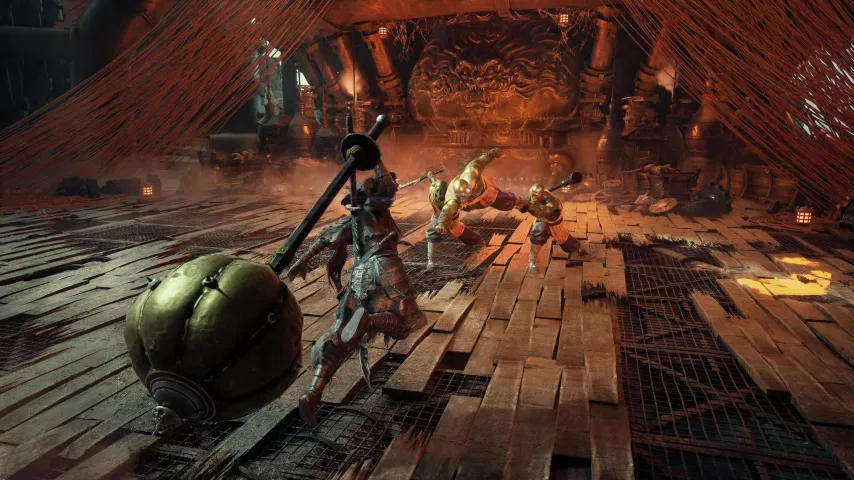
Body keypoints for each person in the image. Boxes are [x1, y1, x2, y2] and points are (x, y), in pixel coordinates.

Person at [286, 155, 425, 425]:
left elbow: (325, 238)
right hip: (387, 269)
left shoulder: (354, 217)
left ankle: (313, 392)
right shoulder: (378, 209)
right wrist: (376, 156)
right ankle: (368, 322)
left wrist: (303, 261)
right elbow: (386, 187)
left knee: (338, 335)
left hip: (359, 276)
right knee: (405, 323)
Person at [434, 148, 520, 235]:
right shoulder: (452, 198)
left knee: (508, 203)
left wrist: (493, 153)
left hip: (486, 191)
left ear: (469, 188)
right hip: (475, 201)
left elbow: (481, 160)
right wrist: (442, 223)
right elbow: (446, 211)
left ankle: (519, 201)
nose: (462, 200)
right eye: (460, 197)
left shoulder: (473, 171)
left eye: (464, 196)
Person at [517, 183, 585, 273]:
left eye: (535, 196)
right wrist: (520, 204)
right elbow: (524, 208)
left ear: (542, 195)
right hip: (541, 221)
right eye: (532, 195)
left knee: (564, 239)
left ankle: (578, 249)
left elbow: (540, 214)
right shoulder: (534, 195)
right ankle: (531, 262)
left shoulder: (552, 202)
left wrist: (529, 205)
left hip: (553, 222)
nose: (533, 198)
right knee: (536, 240)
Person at [425, 171, 484, 269]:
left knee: (461, 232)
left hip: (451, 218)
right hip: (437, 216)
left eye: (442, 192)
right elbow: (433, 179)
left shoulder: (451, 199)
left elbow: (448, 211)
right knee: (432, 232)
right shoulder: (433, 188)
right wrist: (430, 174)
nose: (440, 194)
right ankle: (430, 260)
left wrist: (443, 223)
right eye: (438, 191)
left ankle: (478, 241)